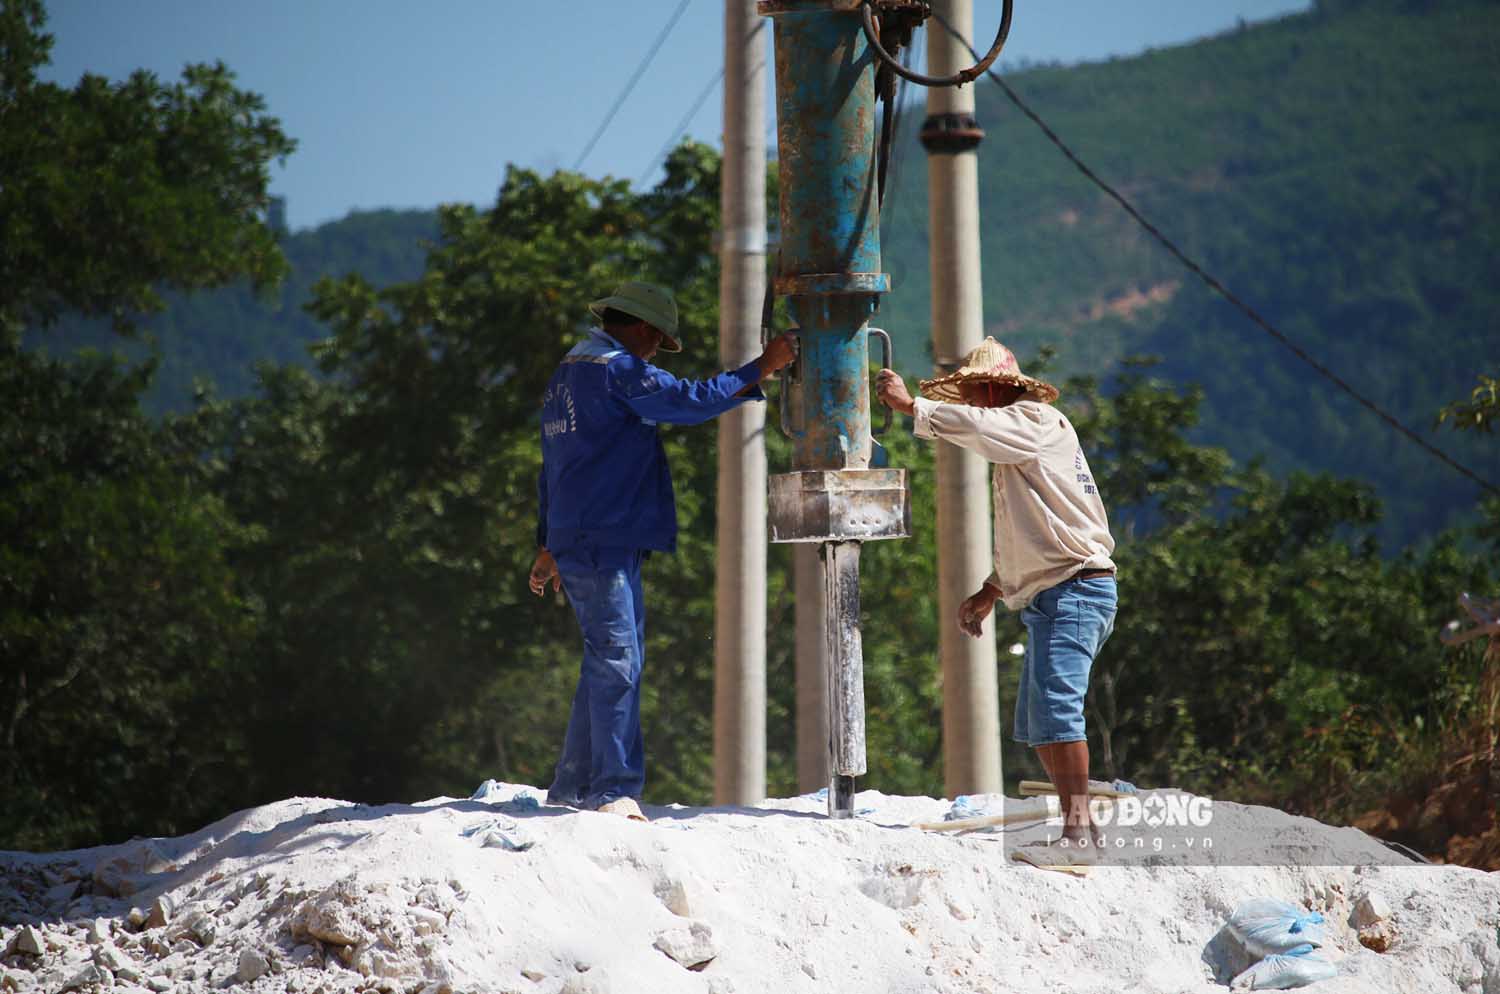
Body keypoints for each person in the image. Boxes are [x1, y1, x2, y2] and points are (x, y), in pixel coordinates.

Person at [529, 280, 797, 821]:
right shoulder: (614, 370)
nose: (657, 354)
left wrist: (546, 543)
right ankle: (612, 790)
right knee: (618, 660)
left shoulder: (566, 376)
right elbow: (686, 400)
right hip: (601, 538)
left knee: (604, 661)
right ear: (646, 330)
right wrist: (760, 367)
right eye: (659, 344)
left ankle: (572, 787)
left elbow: (554, 464)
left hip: (585, 535)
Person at [875, 338, 1117, 849]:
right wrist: (989, 591)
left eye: (972, 394)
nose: (971, 405)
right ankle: (1078, 822)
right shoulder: (1018, 448)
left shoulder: (1034, 422)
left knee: (1057, 711)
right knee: (1037, 721)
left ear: (991, 388)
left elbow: (980, 428)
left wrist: (912, 406)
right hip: (1055, 591)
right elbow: (1030, 538)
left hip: (1075, 589)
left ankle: (1077, 829)